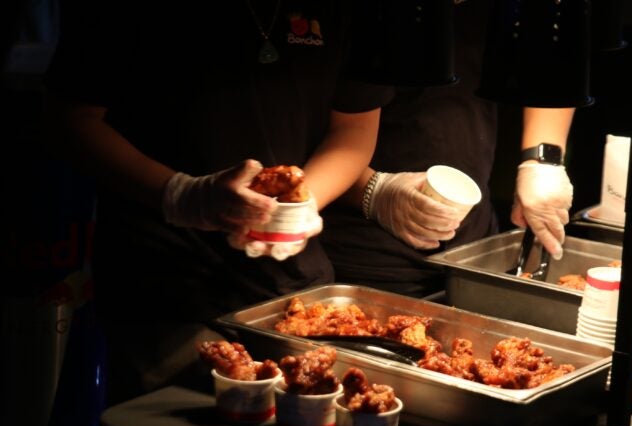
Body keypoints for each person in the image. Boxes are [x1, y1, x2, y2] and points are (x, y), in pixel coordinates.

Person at [43, 0, 391, 404]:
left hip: (293, 292)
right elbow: (69, 120)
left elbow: (354, 126)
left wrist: (301, 205)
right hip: (162, 289)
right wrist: (182, 195)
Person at [320, 0, 576, 298]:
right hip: (361, 255)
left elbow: (552, 49)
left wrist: (542, 160)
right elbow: (311, 132)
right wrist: (374, 191)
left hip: (472, 249)